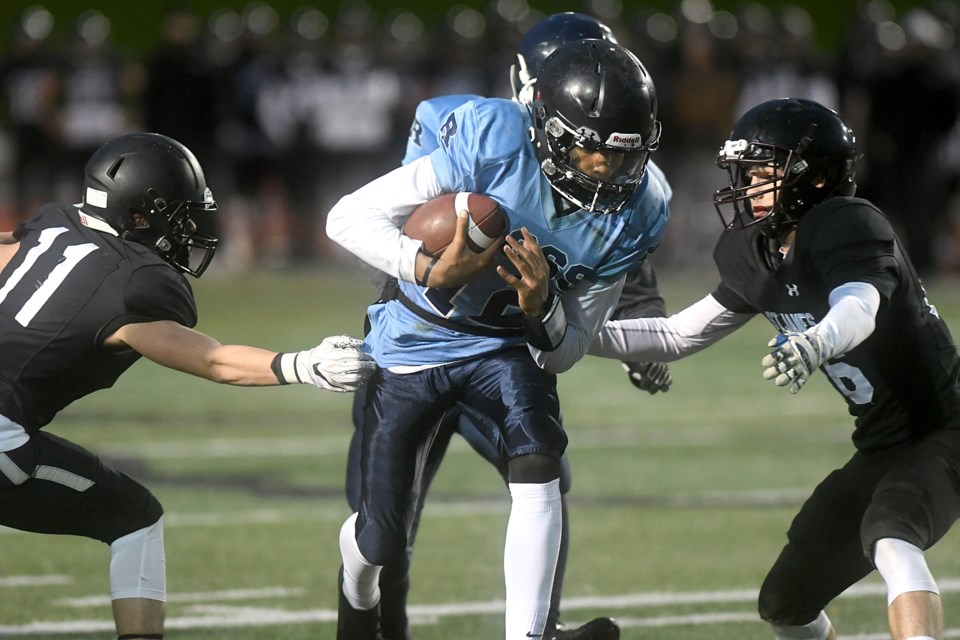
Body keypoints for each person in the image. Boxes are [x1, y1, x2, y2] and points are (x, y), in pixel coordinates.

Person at [326, 37, 668, 640]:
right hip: (418, 337)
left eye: (623, 155)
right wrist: (426, 268)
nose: (607, 170)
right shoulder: (493, 136)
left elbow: (567, 348)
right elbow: (347, 217)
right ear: (550, 128)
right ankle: (359, 600)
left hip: (506, 348)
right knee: (380, 535)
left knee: (540, 463)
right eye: (591, 151)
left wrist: (542, 310)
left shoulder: (644, 206)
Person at [588, 98, 960, 640]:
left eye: (766, 174)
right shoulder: (754, 249)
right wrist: (569, 336)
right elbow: (675, 334)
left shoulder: (845, 224)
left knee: (891, 536)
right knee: (786, 602)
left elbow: (859, 306)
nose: (751, 187)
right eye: (747, 173)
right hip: (882, 444)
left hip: (945, 429)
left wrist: (815, 342)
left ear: (815, 179)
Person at [0, 132, 376, 640]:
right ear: (138, 215)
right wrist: (303, 365)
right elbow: (213, 360)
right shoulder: (130, 282)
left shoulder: (49, 227)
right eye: (177, 215)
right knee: (132, 518)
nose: (186, 229)